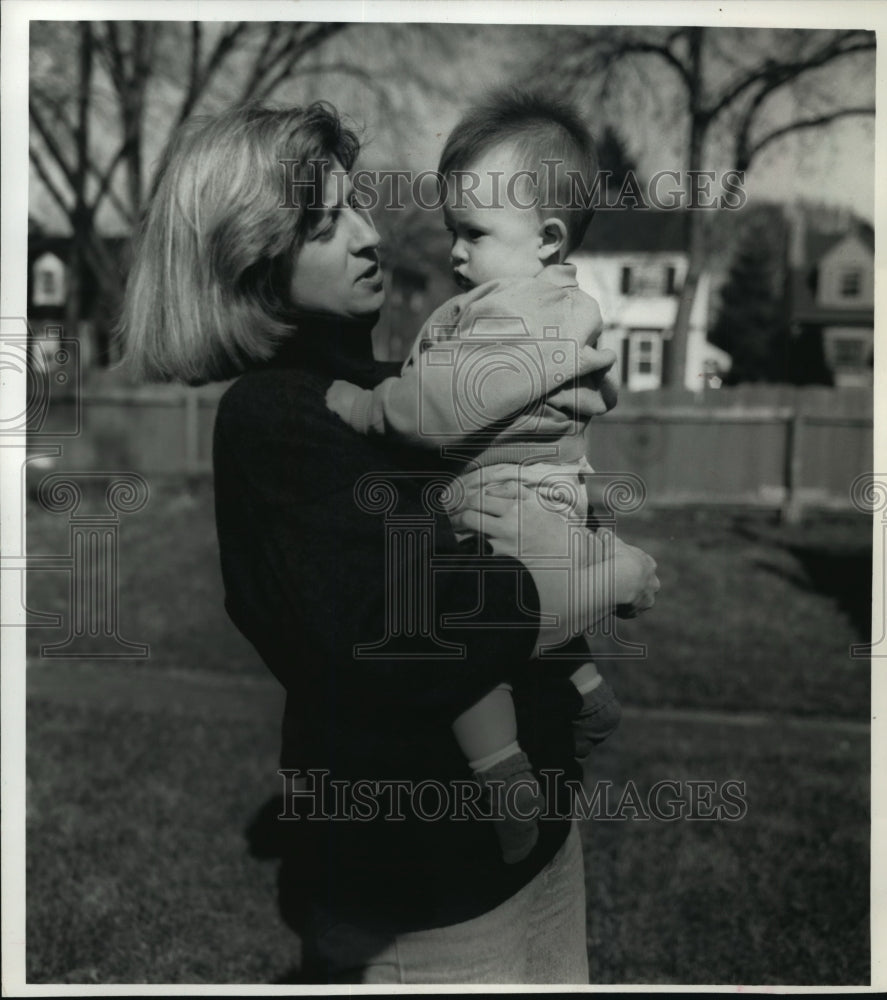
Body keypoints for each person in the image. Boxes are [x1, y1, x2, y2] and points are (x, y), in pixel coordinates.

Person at [118, 100, 659, 985]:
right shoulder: (278, 417)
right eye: (327, 225)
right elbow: (419, 630)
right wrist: (610, 576)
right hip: (424, 890)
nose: (371, 237)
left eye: (359, 206)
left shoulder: (379, 383)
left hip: (529, 851)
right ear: (249, 258)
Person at [325, 90, 623, 865]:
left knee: (452, 639)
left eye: (473, 233)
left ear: (547, 238)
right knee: (534, 616)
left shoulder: (519, 317)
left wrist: (367, 406)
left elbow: (441, 409)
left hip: (506, 499)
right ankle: (587, 696)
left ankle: (502, 780)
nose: (455, 252)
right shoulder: (553, 305)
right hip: (542, 498)